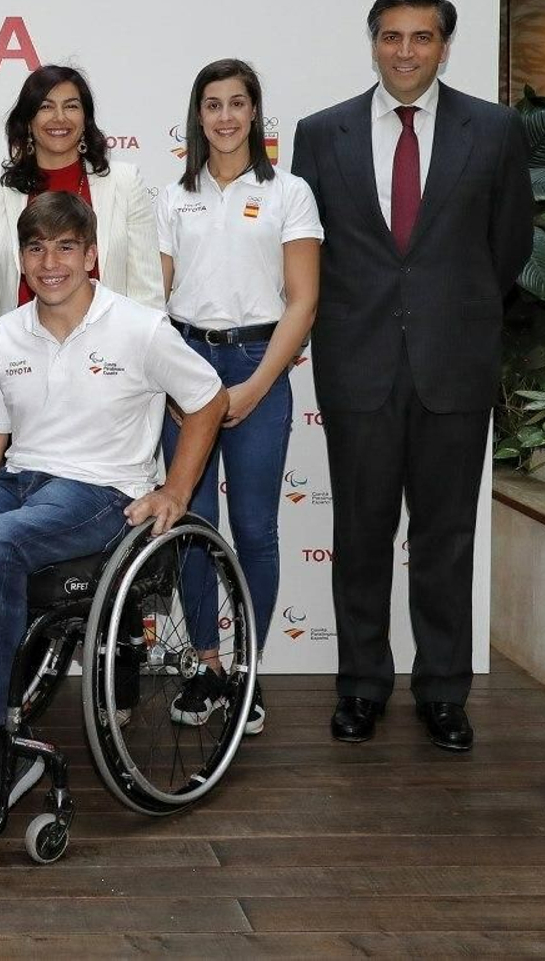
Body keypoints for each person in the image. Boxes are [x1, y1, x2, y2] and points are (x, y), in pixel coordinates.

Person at [0, 192, 226, 826]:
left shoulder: (138, 326)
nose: (51, 263)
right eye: (36, 248)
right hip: (21, 480)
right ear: (22, 259)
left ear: (92, 254)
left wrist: (177, 492)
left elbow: (208, 400)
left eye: (66, 247)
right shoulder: (7, 332)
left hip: (102, 490)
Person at [290, 0, 532, 751]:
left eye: (421, 38)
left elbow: (509, 245)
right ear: (373, 43)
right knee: (360, 535)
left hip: (453, 368)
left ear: (443, 46)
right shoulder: (319, 133)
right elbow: (308, 253)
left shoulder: (492, 131)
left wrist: (449, 312)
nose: (405, 51)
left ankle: (442, 691)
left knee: (445, 538)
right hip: (356, 365)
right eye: (391, 36)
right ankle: (361, 685)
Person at [157, 58, 323, 737]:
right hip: (186, 361)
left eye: (237, 103)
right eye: (212, 104)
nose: (224, 116)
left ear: (255, 113)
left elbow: (304, 299)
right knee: (193, 523)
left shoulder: (290, 193)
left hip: (261, 359)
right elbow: (155, 302)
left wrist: (256, 385)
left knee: (255, 528)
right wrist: (172, 377)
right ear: (197, 116)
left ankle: (247, 669)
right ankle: (206, 667)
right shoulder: (173, 198)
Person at [0, 64, 165, 344]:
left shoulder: (125, 183)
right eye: (46, 107)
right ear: (28, 121)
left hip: (109, 357)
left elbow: (147, 293)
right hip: (22, 359)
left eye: (71, 106)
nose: (59, 118)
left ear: (85, 118)